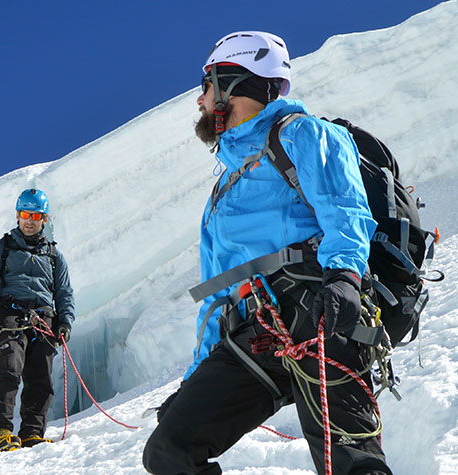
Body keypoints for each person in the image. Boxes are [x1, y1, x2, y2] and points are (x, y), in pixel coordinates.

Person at [142, 31, 389, 474]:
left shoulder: (303, 134)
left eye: (206, 86)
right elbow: (217, 296)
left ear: (233, 84)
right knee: (169, 451)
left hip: (319, 311)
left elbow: (345, 211)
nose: (200, 100)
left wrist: (345, 278)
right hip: (255, 332)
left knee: (350, 464)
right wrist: (194, 380)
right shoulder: (220, 193)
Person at [0, 188, 75, 452]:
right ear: (18, 215)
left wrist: (65, 322)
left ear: (45, 219)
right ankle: (2, 433)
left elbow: (64, 292)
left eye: (36, 215)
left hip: (44, 319)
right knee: (9, 366)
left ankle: (32, 434)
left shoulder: (54, 257)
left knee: (40, 377)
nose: (29, 220)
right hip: (9, 315)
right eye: (25, 214)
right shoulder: (1, 249)